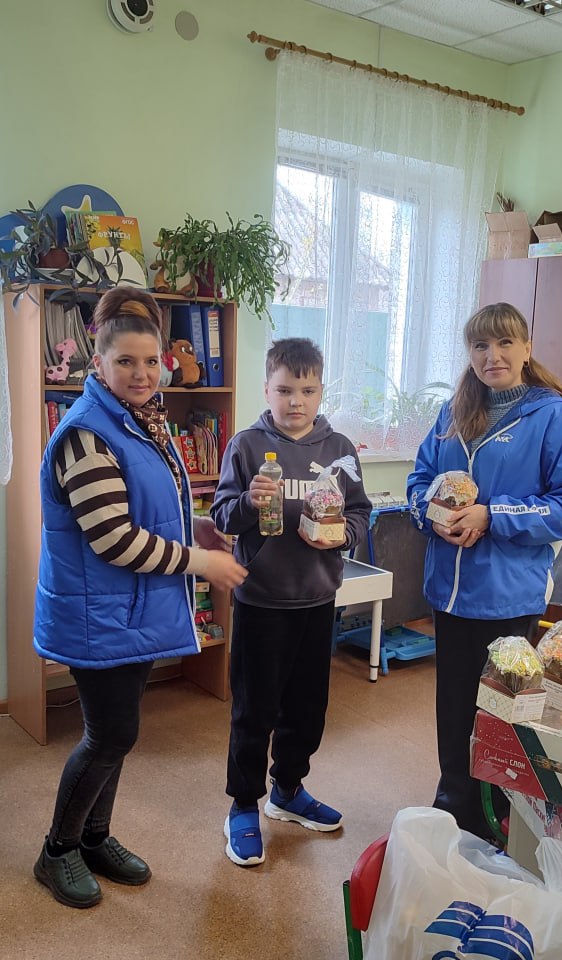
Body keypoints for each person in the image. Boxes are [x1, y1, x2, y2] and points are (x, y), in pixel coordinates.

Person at [32, 287, 247, 908]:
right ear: (98, 363)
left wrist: (195, 529)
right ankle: (57, 851)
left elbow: (150, 507)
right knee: (108, 736)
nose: (141, 373)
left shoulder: (142, 420)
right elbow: (114, 540)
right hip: (96, 614)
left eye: (151, 362)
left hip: (126, 611)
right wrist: (201, 563)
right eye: (125, 361)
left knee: (117, 734)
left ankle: (94, 837)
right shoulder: (85, 435)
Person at [406, 302, 562, 837]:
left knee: (501, 710)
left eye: (505, 343)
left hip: (508, 593)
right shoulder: (453, 412)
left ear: (527, 348)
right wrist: (435, 515)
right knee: (453, 707)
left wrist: (493, 515)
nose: (493, 356)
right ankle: (454, 804)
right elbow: (419, 481)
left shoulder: (553, 416)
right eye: (481, 346)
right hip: (449, 590)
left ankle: (496, 816)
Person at [211, 337, 372, 867]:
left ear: (321, 391)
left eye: (307, 390)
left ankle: (287, 790)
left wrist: (343, 535)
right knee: (254, 709)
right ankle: (242, 804)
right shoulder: (247, 445)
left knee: (306, 709)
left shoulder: (339, 449)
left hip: (317, 599)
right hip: (261, 601)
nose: (296, 401)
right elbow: (223, 516)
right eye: (284, 390)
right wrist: (250, 502)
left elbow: (359, 513)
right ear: (267, 390)